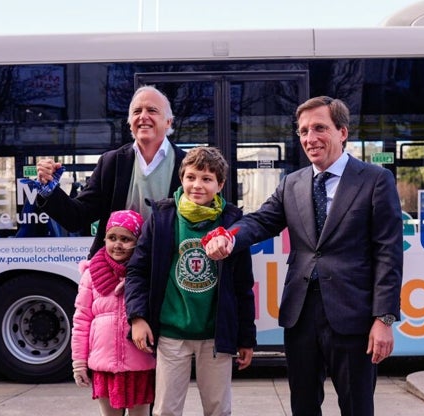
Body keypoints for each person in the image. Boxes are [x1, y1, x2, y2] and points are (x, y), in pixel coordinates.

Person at [203, 96, 403, 416]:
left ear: (342, 132)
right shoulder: (292, 183)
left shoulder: (376, 180)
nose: (310, 138)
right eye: (303, 131)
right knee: (303, 406)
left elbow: (388, 254)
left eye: (319, 128)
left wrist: (384, 319)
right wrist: (228, 237)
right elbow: (260, 221)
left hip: (353, 317)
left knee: (357, 406)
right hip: (300, 316)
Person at [125, 146, 256, 416]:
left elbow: (243, 286)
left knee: (218, 409)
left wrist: (246, 338)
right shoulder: (162, 219)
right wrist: (137, 318)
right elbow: (137, 271)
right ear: (182, 178)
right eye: (191, 177)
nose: (197, 185)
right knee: (166, 410)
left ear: (220, 185)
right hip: (172, 334)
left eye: (207, 179)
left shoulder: (232, 223)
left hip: (215, 336)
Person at [35, 86, 187, 258]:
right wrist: (49, 189)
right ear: (130, 123)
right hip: (116, 272)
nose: (143, 116)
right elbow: (76, 217)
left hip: (166, 270)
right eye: (137, 111)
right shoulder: (111, 163)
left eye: (152, 110)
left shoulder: (186, 165)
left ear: (168, 121)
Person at [71, 210, 156, 416]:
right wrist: (79, 363)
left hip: (140, 365)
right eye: (112, 238)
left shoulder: (146, 274)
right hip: (104, 367)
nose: (117, 244)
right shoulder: (91, 274)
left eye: (126, 239)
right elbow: (82, 321)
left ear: (138, 241)